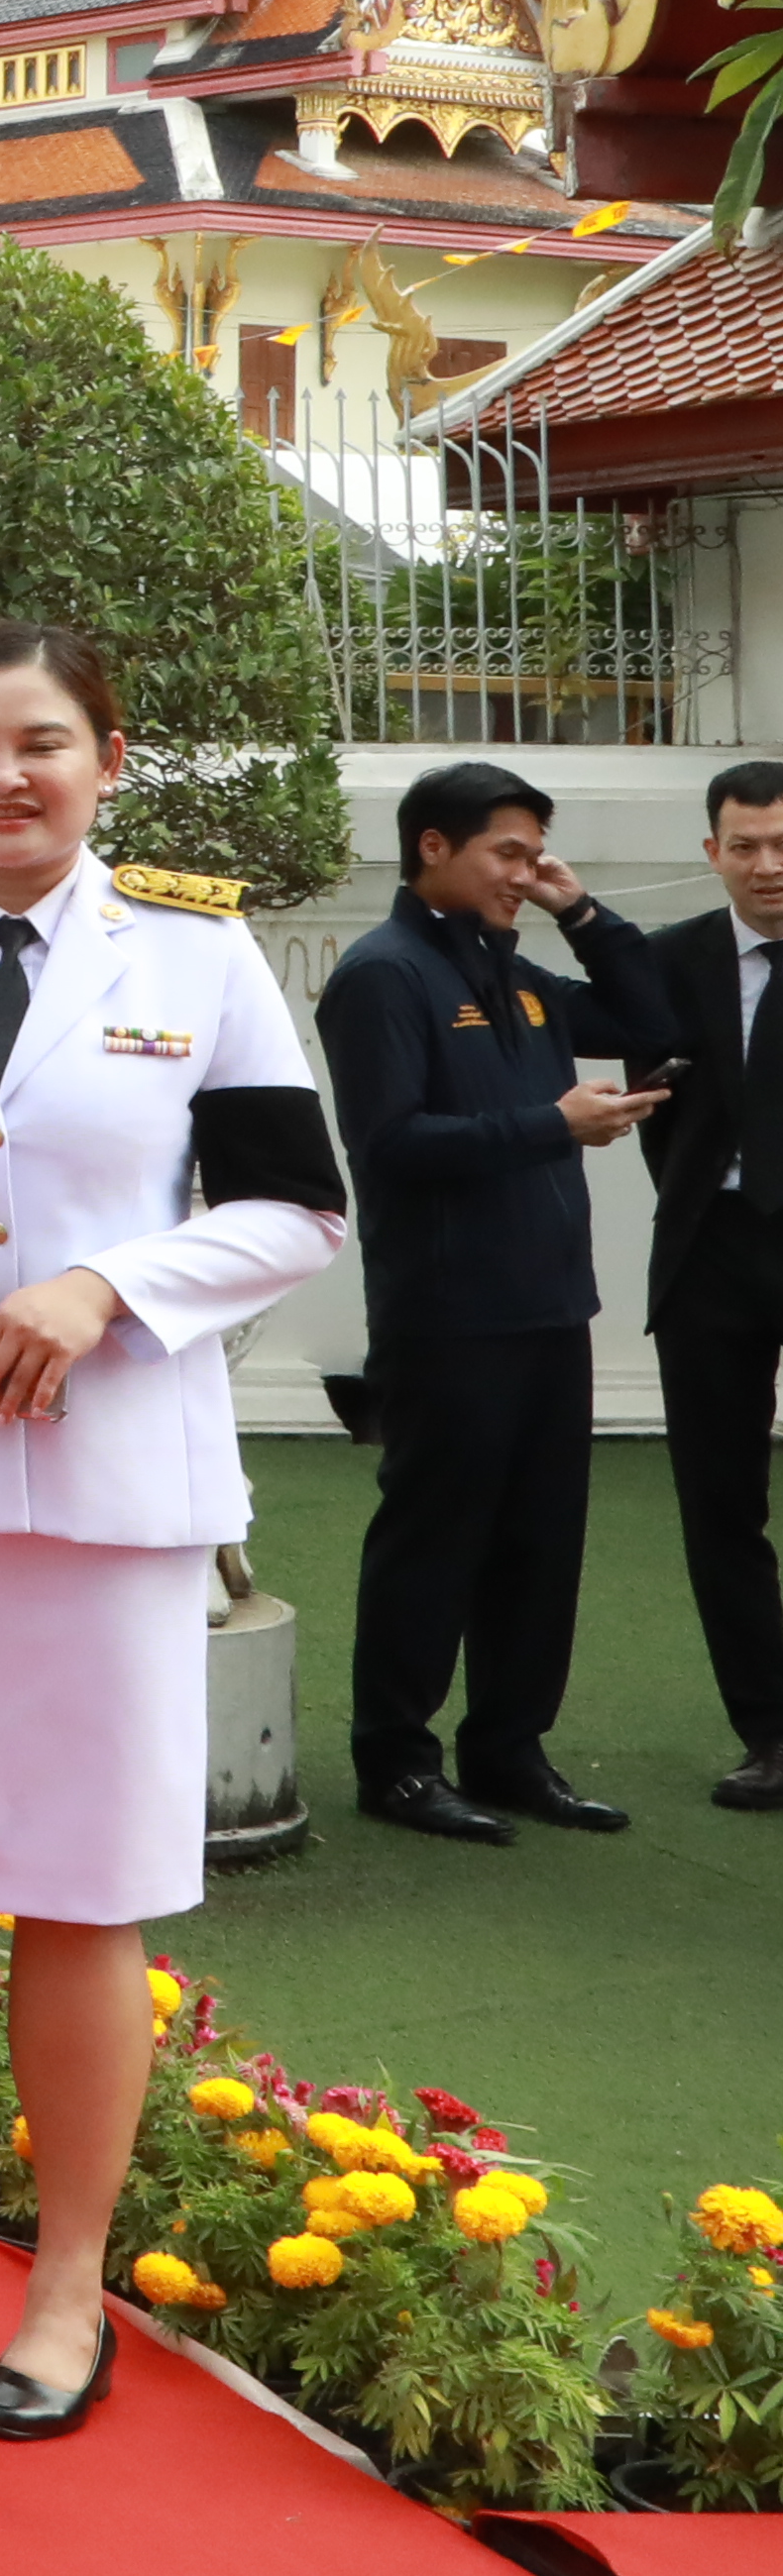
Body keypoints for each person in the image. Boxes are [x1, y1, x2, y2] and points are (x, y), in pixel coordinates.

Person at [0, 620, 346, 2436]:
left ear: (109, 756)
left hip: (112, 1496)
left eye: (41, 743)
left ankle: (62, 2285)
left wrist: (107, 1285)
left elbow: (290, 1204)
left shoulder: (191, 952)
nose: (3, 775)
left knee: (89, 1894)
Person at [322, 760, 671, 1843]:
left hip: (548, 1303)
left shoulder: (516, 973)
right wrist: (550, 1125)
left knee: (540, 1538)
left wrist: (579, 907)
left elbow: (647, 1014)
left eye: (535, 855)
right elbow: (389, 1147)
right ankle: (396, 1759)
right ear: (433, 845)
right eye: (508, 854)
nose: (526, 873)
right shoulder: (384, 974)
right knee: (436, 1536)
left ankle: (511, 1749)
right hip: (447, 1311)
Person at [635, 761, 783, 1813]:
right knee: (719, 1502)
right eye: (746, 846)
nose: (768, 867)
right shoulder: (669, 963)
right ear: (712, 852)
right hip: (712, 1250)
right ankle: (770, 1730)